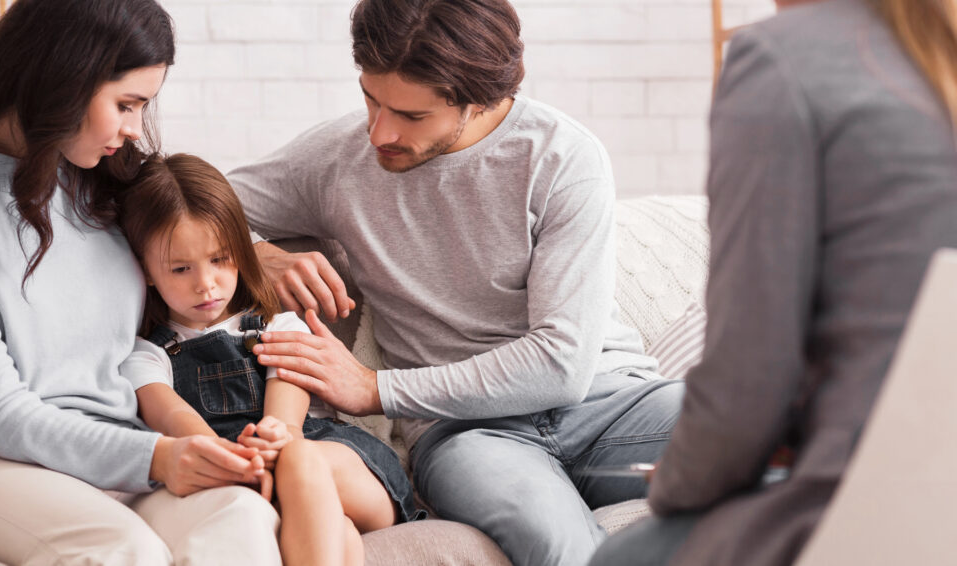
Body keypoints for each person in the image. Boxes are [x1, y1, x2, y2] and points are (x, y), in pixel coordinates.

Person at [227, 0, 685, 564]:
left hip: (612, 406)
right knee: (558, 547)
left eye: (413, 116)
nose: (379, 132)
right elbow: (181, 206)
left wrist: (376, 389)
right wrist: (256, 251)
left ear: (480, 101)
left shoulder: (562, 156)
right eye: (371, 98)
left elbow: (562, 364)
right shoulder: (337, 159)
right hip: (468, 436)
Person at [588, 0, 957, 565]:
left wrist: (674, 486)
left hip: (881, 509)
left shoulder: (785, 61)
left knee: (624, 556)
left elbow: (746, 386)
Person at [0, 1, 284, 564]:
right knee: (123, 548)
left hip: (115, 441)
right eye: (125, 104)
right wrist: (158, 457)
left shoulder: (95, 170)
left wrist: (260, 250)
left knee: (238, 514)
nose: (134, 128)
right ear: (62, 78)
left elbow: (188, 215)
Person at [118, 152, 424, 566]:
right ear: (147, 272)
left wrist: (275, 440)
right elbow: (176, 422)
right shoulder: (147, 356)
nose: (205, 284)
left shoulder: (278, 325)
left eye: (219, 259)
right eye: (180, 269)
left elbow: (286, 422)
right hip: (244, 475)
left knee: (295, 457)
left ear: (241, 252)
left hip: (333, 462)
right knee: (339, 537)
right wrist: (232, 460)